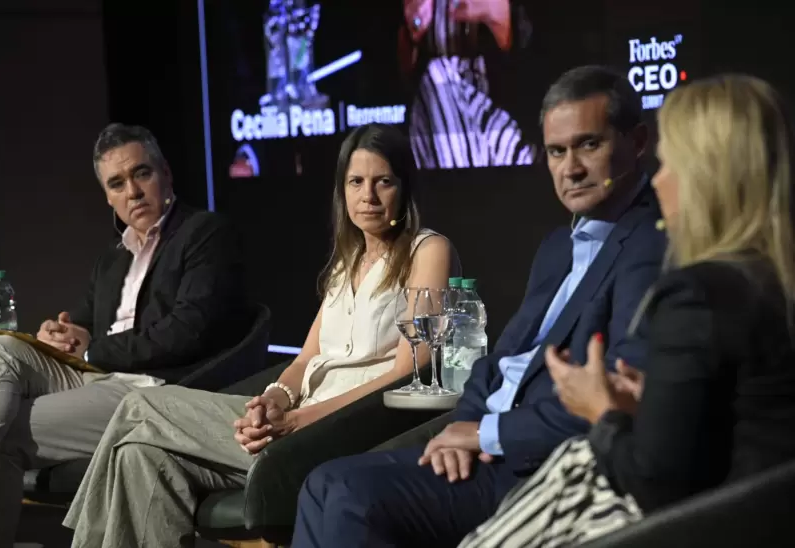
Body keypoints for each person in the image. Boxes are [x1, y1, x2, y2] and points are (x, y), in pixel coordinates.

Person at [291, 65, 667, 548]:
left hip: (538, 463)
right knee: (320, 486)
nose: (570, 168)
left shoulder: (649, 247)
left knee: (345, 492)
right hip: (484, 441)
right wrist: (462, 427)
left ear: (637, 142)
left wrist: (485, 434)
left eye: (588, 145)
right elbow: (497, 362)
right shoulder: (559, 245)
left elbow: (614, 399)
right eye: (557, 151)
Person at [62, 123, 461, 547]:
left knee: (138, 405)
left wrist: (299, 421)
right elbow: (306, 359)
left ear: (404, 186)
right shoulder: (349, 261)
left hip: (343, 429)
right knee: (139, 456)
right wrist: (273, 401)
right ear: (341, 191)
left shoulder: (428, 251)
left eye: (383, 181)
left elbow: (409, 370)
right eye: (356, 182)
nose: (369, 195)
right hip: (297, 419)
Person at [458, 74, 795, 547]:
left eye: (669, 165)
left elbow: (656, 482)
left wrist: (600, 409)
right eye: (556, 152)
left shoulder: (697, 293)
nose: (658, 181)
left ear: (709, 177)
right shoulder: (768, 281)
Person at [0, 123, 249, 545]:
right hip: (97, 374)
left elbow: (187, 331)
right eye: (117, 184)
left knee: (3, 433)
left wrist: (92, 350)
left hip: (148, 389)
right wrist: (58, 333)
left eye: (142, 174)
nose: (133, 192)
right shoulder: (112, 257)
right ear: (108, 197)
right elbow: (85, 322)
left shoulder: (203, 233)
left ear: (165, 174)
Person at [401, 0, 536, 168]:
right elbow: (396, 70)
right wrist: (414, 27)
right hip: (433, 108)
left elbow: (540, 54)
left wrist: (497, 14)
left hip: (500, 103)